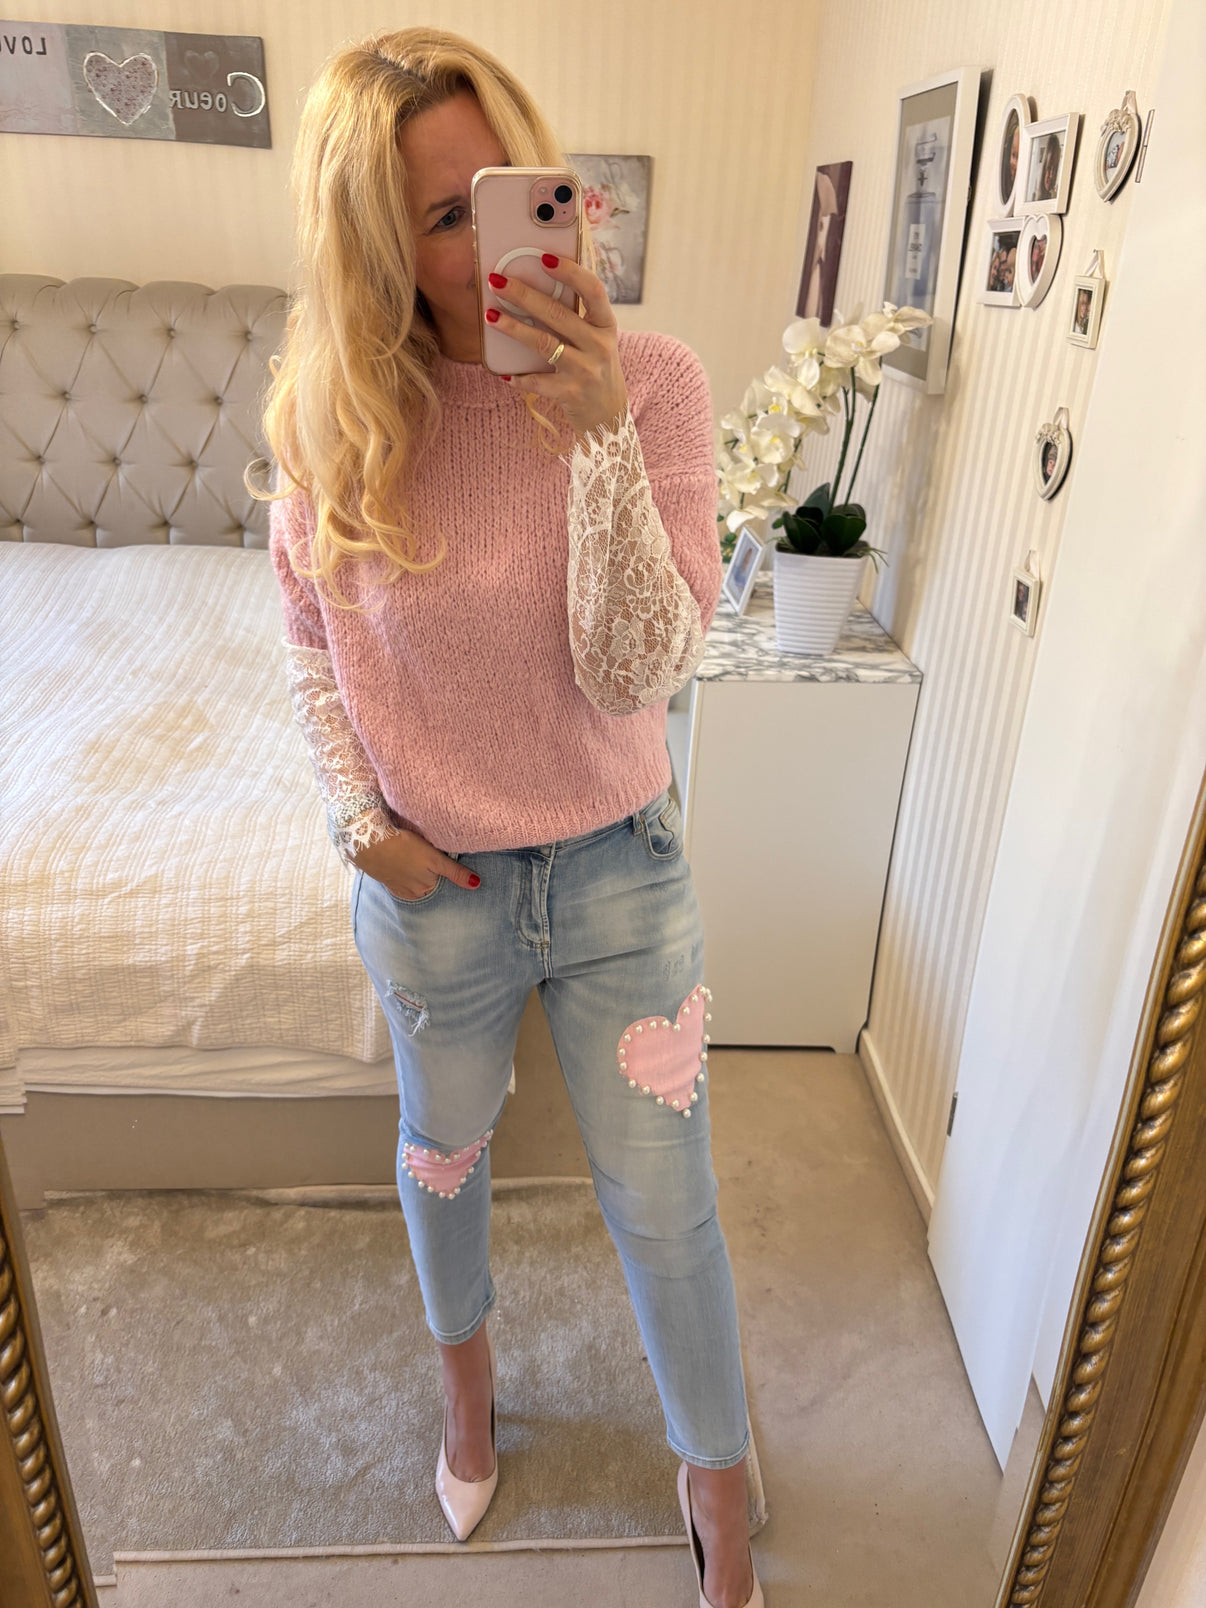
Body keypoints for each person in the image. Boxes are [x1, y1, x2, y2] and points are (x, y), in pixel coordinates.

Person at [254, 26, 762, 1608]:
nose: (491, 244)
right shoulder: (334, 420)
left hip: (620, 873)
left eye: (504, 190)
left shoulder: (655, 386)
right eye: (439, 216)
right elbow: (307, 644)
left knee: (666, 1205)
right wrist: (354, 819)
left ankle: (718, 1477)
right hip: (438, 889)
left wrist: (594, 432)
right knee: (444, 1158)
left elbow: (639, 672)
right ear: (375, 250)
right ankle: (466, 1396)